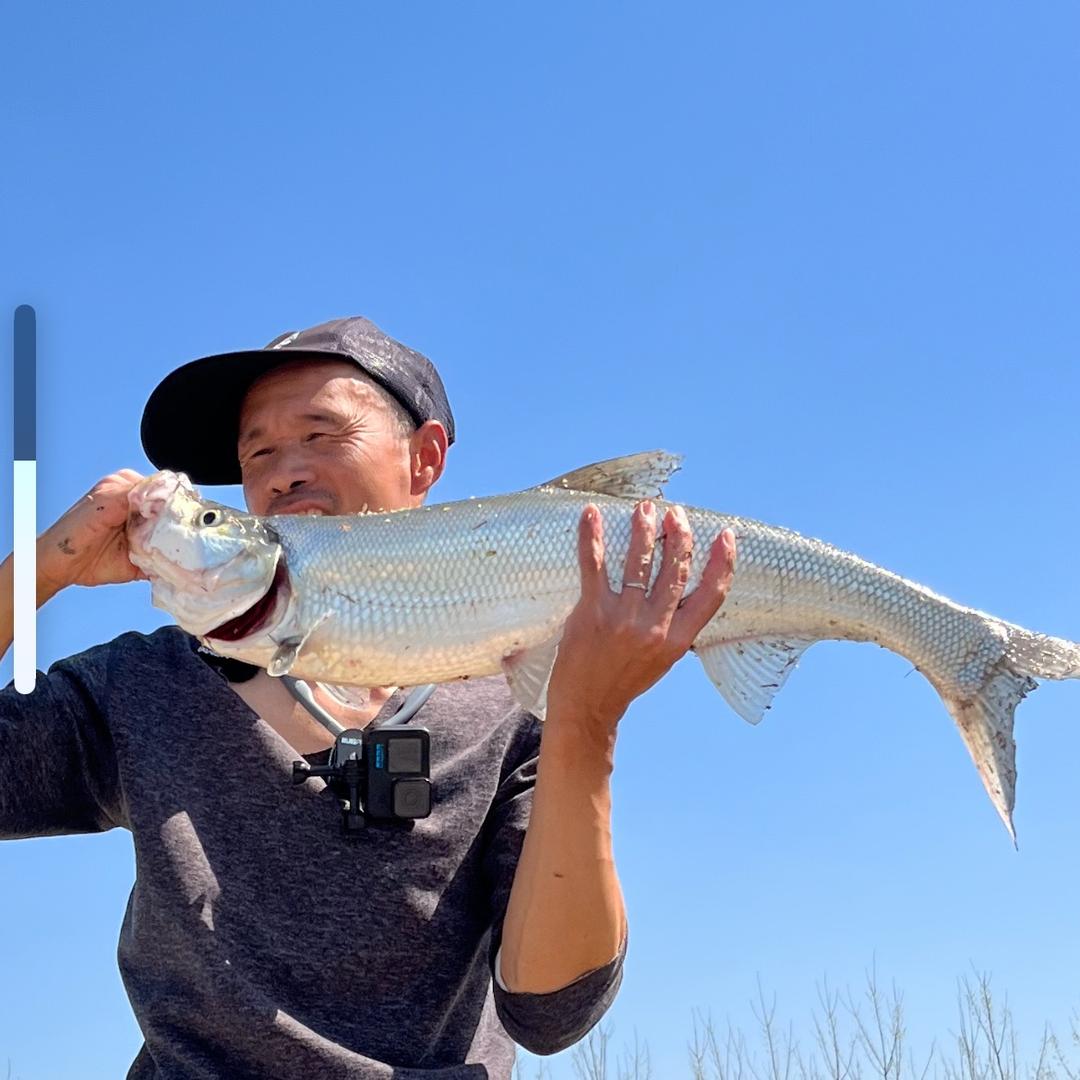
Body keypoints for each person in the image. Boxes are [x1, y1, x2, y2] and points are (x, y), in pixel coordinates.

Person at [0, 316, 736, 1078]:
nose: (284, 471)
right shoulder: (144, 685)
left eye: (322, 434)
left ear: (424, 459)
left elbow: (552, 1010)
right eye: (257, 452)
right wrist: (41, 569)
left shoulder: (514, 700)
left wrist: (586, 719)